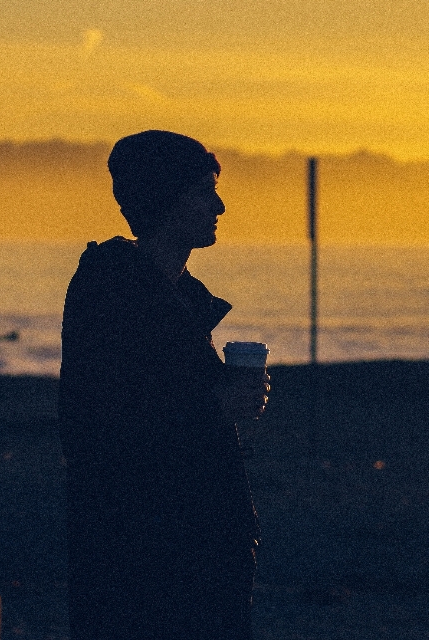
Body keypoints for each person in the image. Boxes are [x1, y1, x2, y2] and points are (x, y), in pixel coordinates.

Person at [59, 130, 269, 640]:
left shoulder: (175, 297)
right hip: (145, 553)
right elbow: (105, 423)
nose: (219, 205)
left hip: (193, 547)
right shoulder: (114, 293)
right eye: (203, 191)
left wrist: (227, 396)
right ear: (164, 199)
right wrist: (217, 403)